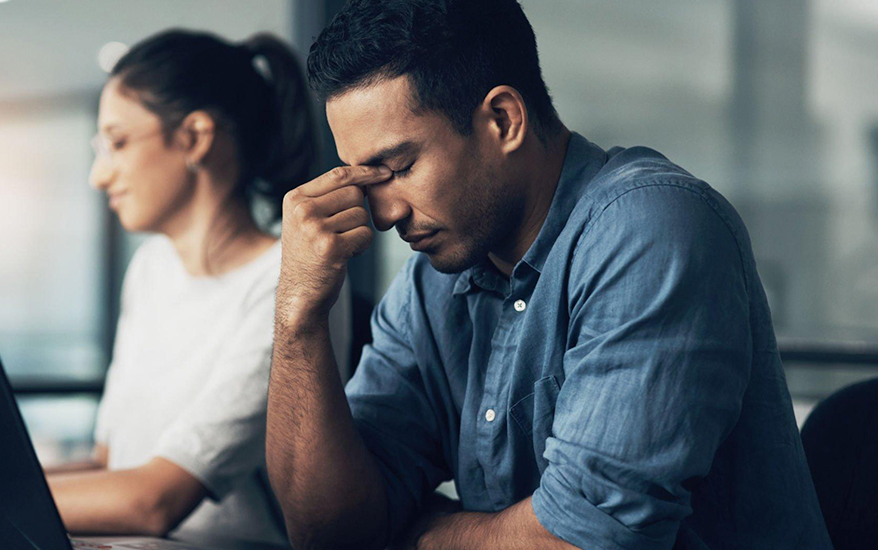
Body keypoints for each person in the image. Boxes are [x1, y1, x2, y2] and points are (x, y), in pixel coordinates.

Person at [265, 1, 833, 549]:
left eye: (400, 168)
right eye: (369, 182)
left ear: (504, 120)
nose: (385, 213)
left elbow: (584, 542)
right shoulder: (430, 284)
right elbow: (327, 532)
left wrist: (421, 534)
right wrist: (300, 318)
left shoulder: (652, 228)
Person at [0, 29, 325, 544]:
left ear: (195, 137)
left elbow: (154, 499)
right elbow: (110, 465)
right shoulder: (153, 269)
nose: (98, 175)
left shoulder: (290, 279)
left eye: (118, 142)